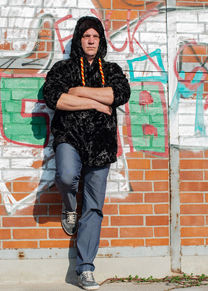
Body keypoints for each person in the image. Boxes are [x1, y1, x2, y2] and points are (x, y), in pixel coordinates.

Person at [43, 16, 130, 290]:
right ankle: (69, 207)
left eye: (95, 36)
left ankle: (85, 269)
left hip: (101, 146)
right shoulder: (63, 68)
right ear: (79, 40)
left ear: (101, 40)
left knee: (94, 206)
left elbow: (120, 93)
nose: (91, 40)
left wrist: (79, 93)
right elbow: (54, 98)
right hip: (69, 138)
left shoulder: (112, 69)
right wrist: (95, 100)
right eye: (86, 36)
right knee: (67, 177)